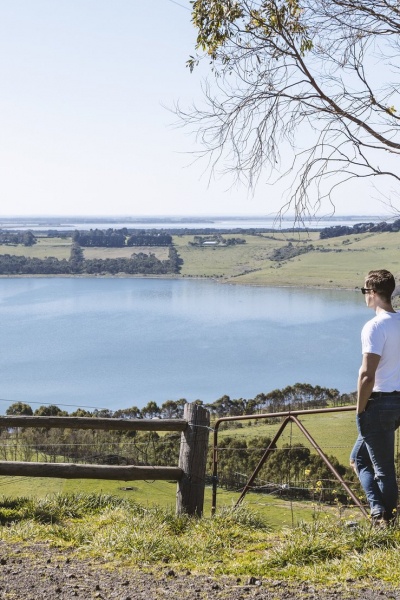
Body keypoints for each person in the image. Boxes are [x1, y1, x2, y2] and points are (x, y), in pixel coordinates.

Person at [350, 269, 400, 525]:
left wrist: (360, 409)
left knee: (382, 469)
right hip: (397, 402)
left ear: (373, 293)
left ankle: (384, 519)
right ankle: (380, 511)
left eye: (364, 292)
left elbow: (367, 375)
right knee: (358, 459)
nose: (365, 297)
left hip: (378, 403)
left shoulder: (374, 327)